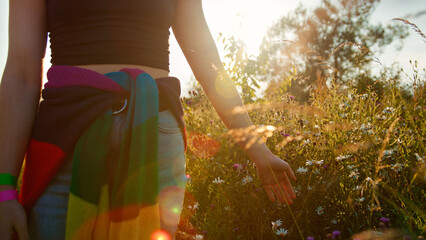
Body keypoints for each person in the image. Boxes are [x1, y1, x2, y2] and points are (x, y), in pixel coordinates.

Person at [0, 0, 297, 239]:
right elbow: (22, 74)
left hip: (154, 134)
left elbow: (208, 60)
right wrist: (3, 190)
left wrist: (257, 149)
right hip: (66, 135)